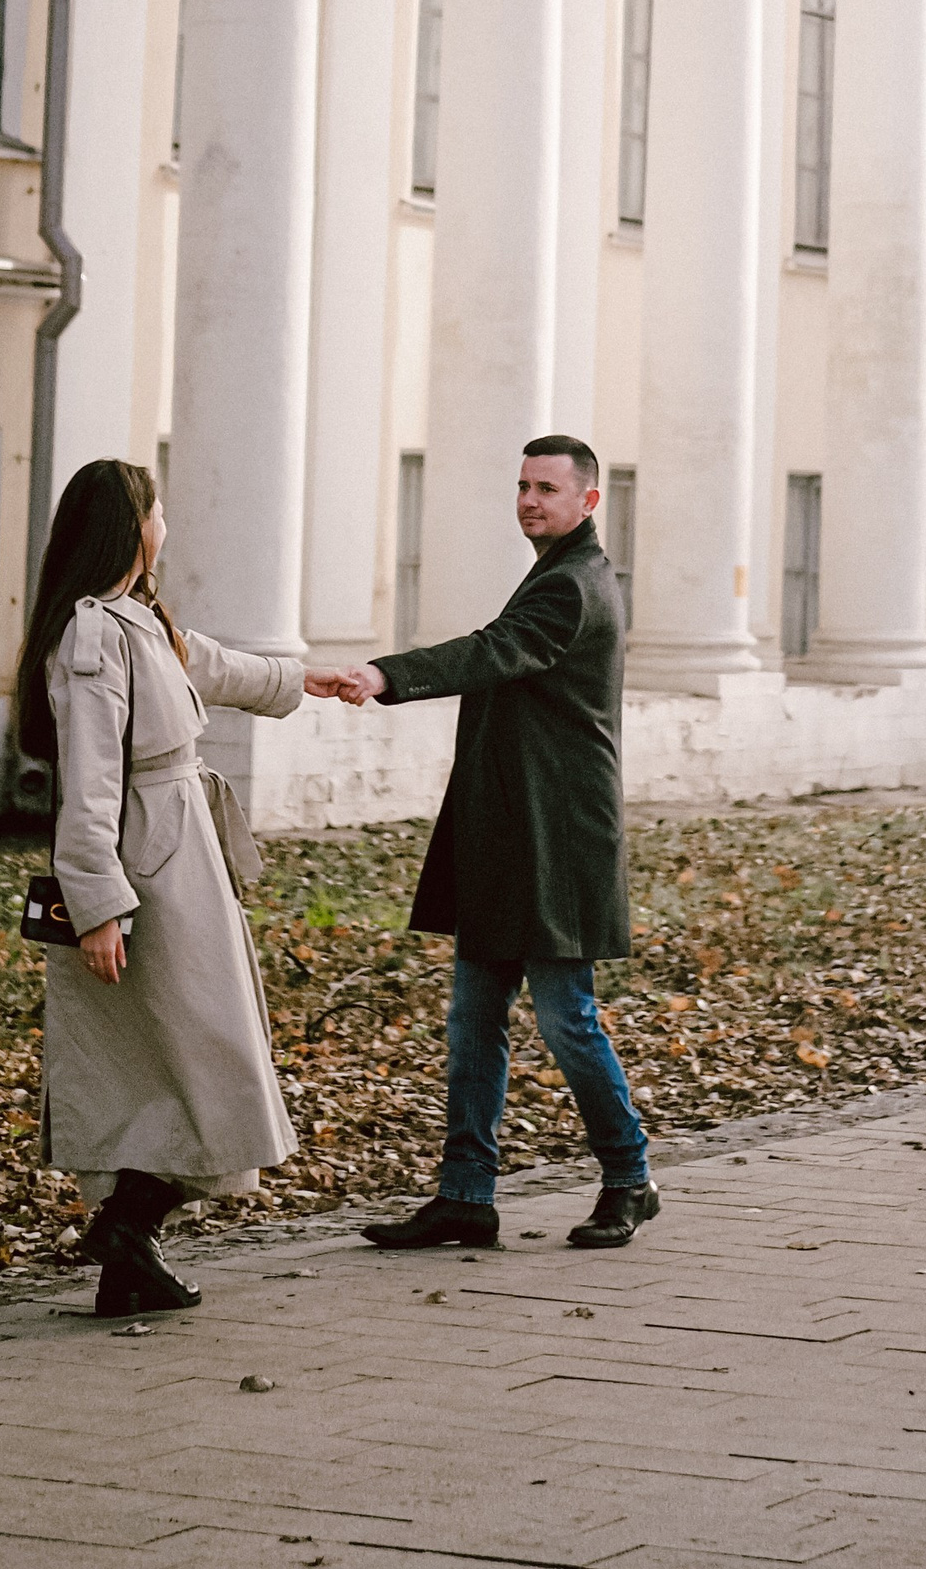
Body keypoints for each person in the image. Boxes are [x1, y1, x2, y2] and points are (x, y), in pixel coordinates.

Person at [15, 455, 343, 1319]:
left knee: (199, 1062)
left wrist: (304, 679)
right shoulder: (94, 632)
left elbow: (211, 665)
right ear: (131, 524)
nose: (168, 522)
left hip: (179, 854)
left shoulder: (137, 620)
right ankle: (128, 1232)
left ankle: (129, 1241)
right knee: (205, 1060)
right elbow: (86, 783)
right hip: (148, 867)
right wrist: (98, 905)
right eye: (158, 508)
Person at [342, 438, 657, 1251]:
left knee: (567, 1020)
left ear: (588, 500)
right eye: (521, 484)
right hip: (506, 835)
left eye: (547, 487)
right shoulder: (554, 571)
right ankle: (465, 1196)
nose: (528, 499)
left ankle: (630, 1176)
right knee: (473, 1021)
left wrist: (385, 674)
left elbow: (491, 649)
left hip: (557, 840)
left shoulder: (575, 584)